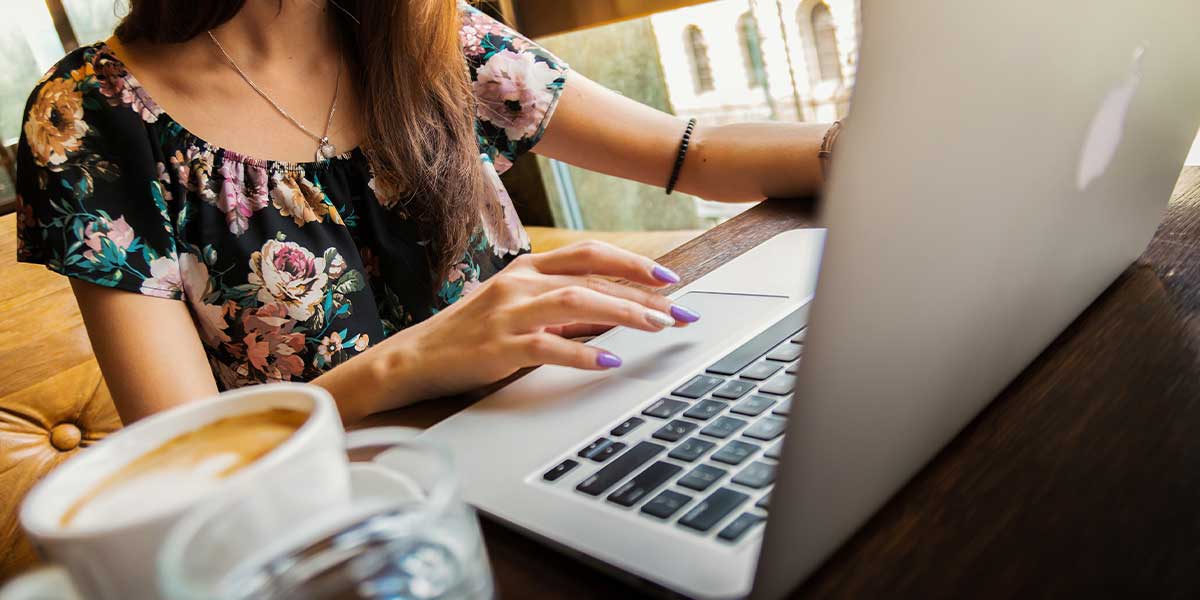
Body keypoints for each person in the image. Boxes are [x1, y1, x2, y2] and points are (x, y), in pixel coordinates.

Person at [15, 0, 833, 425]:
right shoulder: (93, 116)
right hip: (354, 523)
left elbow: (693, 153)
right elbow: (186, 458)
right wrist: (413, 361)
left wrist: (893, 139)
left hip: (557, 422)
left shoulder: (426, 32)